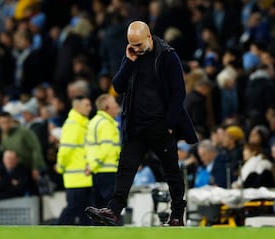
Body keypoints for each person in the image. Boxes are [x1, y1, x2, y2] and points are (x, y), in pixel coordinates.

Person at [85, 21, 198, 227]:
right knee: (125, 169)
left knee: (171, 171)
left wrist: (170, 124)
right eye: (131, 44)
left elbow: (178, 91)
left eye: (138, 44)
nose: (135, 48)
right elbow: (118, 87)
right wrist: (129, 61)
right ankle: (113, 210)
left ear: (148, 37)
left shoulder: (167, 56)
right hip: (135, 127)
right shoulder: (132, 55)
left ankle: (176, 216)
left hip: (161, 126)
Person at [56, 96, 93, 225]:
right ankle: (55, 234)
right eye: (86, 105)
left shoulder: (83, 124)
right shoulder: (73, 125)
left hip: (84, 177)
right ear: (77, 107)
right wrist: (60, 166)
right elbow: (65, 150)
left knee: (86, 213)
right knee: (73, 209)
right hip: (76, 178)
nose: (90, 108)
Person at [85, 94, 121, 209]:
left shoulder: (94, 121)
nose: (117, 106)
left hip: (97, 171)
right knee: (110, 208)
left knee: (98, 207)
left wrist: (92, 166)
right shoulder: (107, 124)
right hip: (107, 170)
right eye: (114, 103)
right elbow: (106, 149)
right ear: (106, 107)